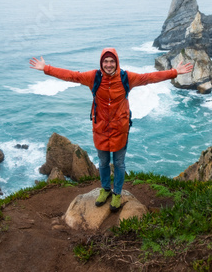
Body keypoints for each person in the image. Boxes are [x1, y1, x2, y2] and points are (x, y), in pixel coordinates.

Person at [29, 48, 193, 212]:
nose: (108, 64)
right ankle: (106, 189)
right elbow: (72, 75)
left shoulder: (126, 77)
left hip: (120, 130)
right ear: (101, 63)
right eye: (105, 61)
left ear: (116, 62)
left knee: (119, 163)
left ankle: (117, 193)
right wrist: (46, 68)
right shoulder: (94, 77)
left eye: (111, 61)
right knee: (103, 162)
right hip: (100, 129)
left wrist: (174, 72)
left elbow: (149, 78)